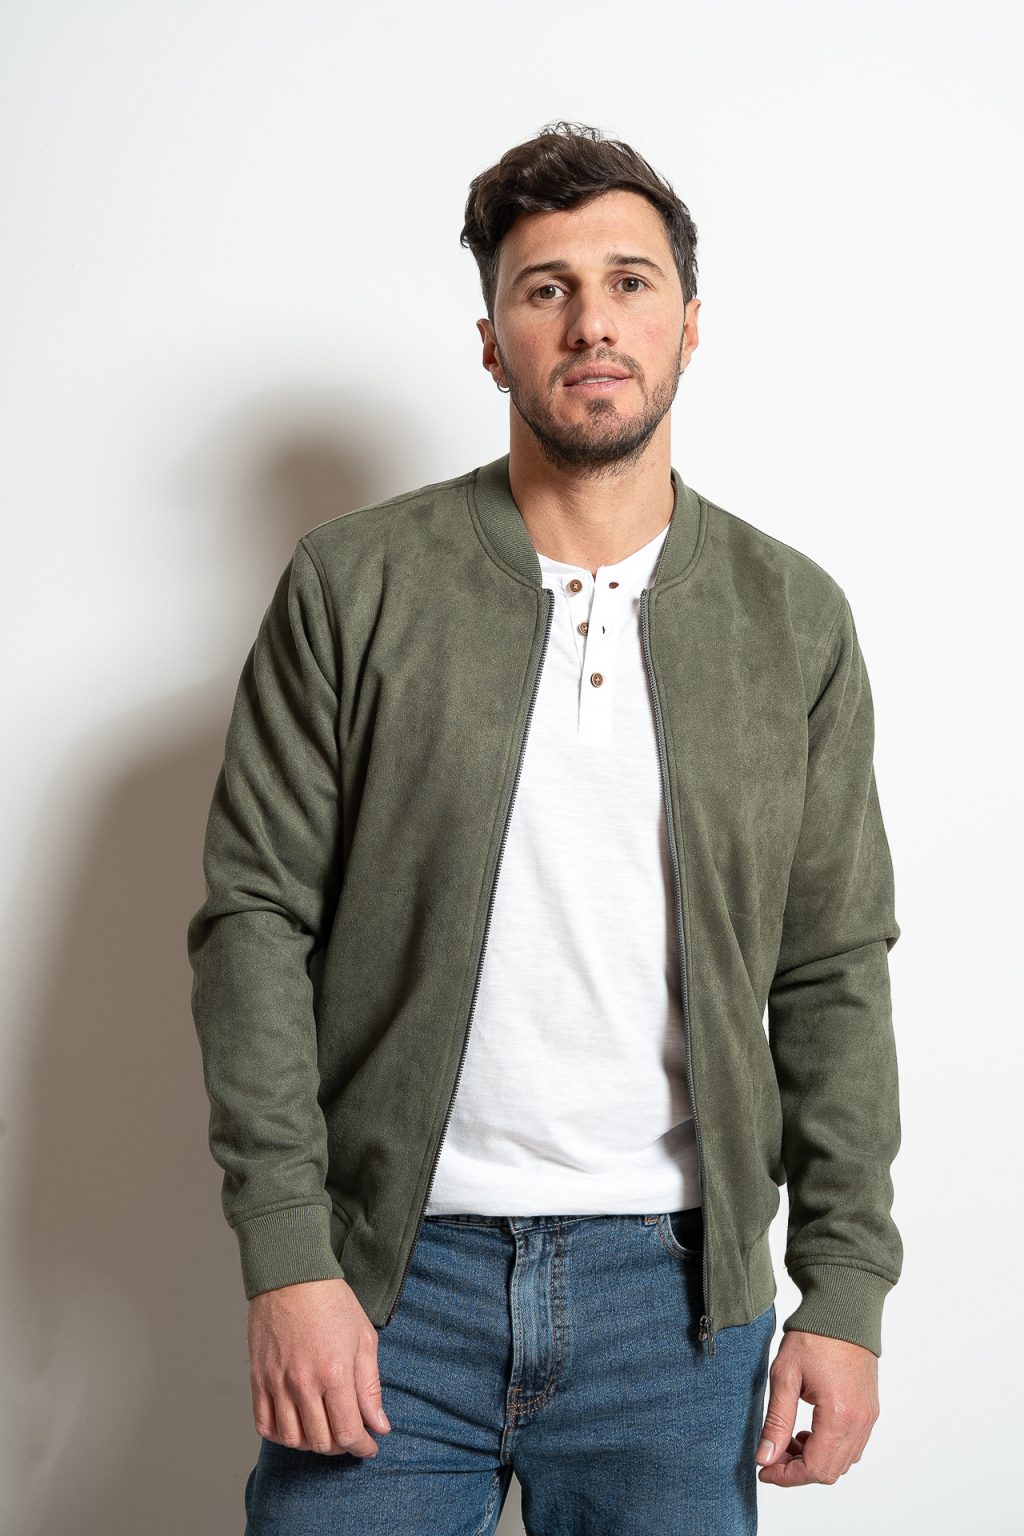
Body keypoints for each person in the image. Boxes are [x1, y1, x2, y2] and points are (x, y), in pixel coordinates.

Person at [186, 120, 903, 1534]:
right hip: (388, 1282)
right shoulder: (353, 584)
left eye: (631, 283)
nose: (592, 323)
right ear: (491, 341)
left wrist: (846, 1292)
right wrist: (288, 1257)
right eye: (546, 288)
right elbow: (253, 924)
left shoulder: (791, 618)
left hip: (678, 1306)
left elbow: (832, 969)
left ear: (689, 324)